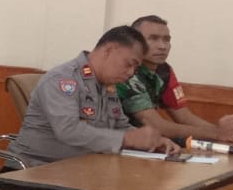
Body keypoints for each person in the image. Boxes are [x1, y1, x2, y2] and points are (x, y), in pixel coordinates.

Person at [11, 27, 179, 164]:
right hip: (36, 169)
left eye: (135, 68)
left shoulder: (108, 85)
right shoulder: (64, 79)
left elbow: (119, 126)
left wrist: (154, 140)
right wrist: (127, 139)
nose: (130, 73)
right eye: (129, 64)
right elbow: (68, 130)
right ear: (109, 50)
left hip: (81, 168)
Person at [117, 15, 233, 144]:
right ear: (135, 42)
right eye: (153, 38)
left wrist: (229, 131)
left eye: (166, 39)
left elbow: (184, 117)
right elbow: (157, 126)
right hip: (118, 141)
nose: (162, 46)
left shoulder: (164, 71)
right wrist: (217, 133)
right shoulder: (128, 71)